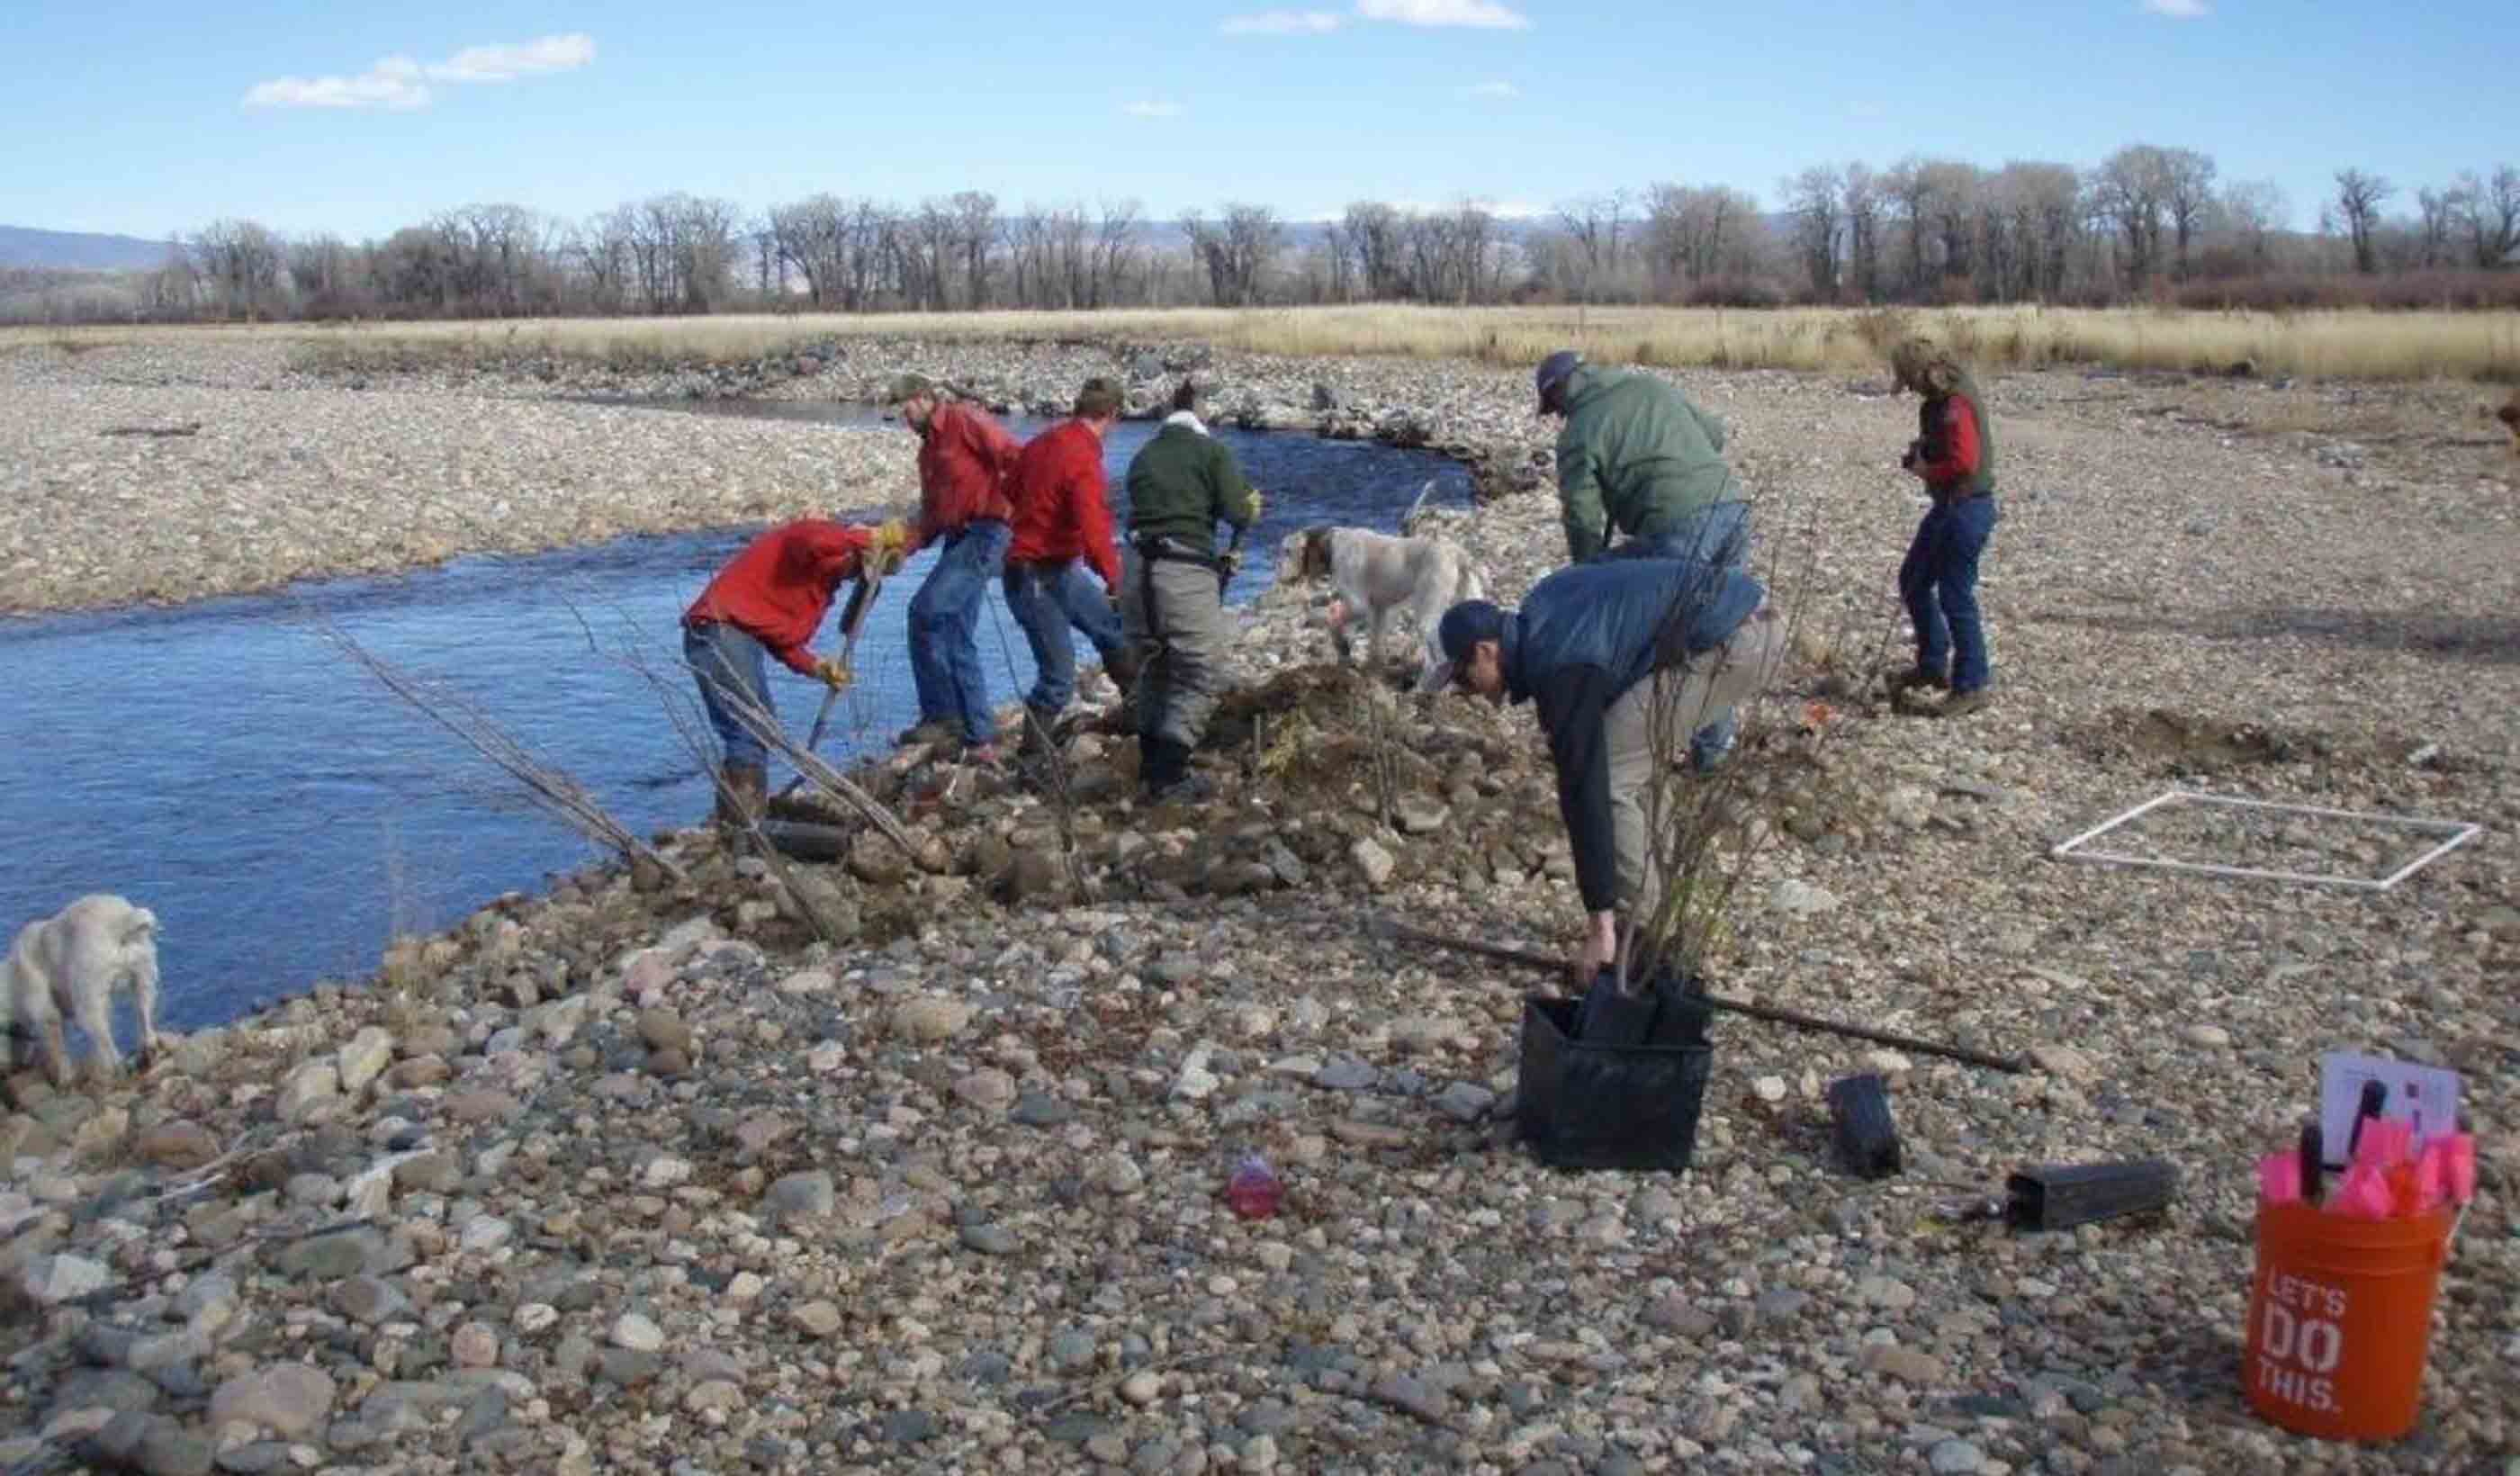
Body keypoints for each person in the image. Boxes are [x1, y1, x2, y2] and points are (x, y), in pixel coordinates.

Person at [1427, 557, 1786, 980]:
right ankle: (1656, 916)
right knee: (1635, 759)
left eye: (1464, 678)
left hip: (1738, 637)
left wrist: (1599, 921)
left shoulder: (1561, 664)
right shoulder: (1542, 615)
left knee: (1614, 775)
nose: (1467, 692)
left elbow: (1584, 788)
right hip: (1746, 616)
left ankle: (1642, 934)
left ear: (1486, 651)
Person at [1535, 347, 1756, 770]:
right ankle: (1715, 747)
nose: (1558, 418)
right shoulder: (1648, 385)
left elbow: (1582, 516)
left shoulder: (1579, 433)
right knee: (1719, 628)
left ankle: (1677, 751)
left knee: (1679, 640)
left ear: (1559, 392)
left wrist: (1587, 575)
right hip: (1732, 507)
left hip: (1678, 525)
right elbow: (1714, 434)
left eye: (1554, 408)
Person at [683, 516, 913, 825]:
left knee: (759, 727)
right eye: (858, 568)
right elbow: (805, 537)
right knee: (750, 727)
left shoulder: (821, 586)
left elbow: (782, 640)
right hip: (717, 629)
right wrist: (871, 538)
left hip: (734, 634)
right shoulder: (814, 543)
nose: (853, 576)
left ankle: (739, 824)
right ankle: (742, 828)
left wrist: (817, 667)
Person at [1119, 380, 1263, 803]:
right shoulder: (1211, 452)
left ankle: (1149, 763)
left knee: (1157, 664)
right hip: (1182, 572)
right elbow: (1238, 511)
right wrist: (1250, 506)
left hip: (1134, 571)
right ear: (1202, 414)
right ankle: (1168, 776)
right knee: (1203, 670)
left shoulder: (1143, 455)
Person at [1003, 376, 1138, 762]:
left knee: (1110, 632)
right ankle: (1030, 763)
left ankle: (1140, 716)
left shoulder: (1042, 442)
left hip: (1052, 567)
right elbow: (1094, 525)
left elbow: (1010, 488)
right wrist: (1115, 579)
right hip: (1036, 575)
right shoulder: (1084, 458)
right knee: (1058, 678)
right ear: (1111, 415)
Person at [889, 373, 1023, 760]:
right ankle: (978, 736)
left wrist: (1019, 513)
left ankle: (942, 717)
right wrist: (903, 548)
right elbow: (932, 517)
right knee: (954, 630)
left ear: (927, 398)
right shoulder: (927, 453)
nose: (904, 414)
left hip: (987, 530)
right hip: (957, 538)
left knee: (926, 613)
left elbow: (1014, 456)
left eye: (907, 405)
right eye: (900, 408)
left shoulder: (965, 420)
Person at [1887, 338, 2001, 719]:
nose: (1912, 389)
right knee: (1914, 580)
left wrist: (1926, 470)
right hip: (1952, 507)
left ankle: (1972, 684)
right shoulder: (1942, 401)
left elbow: (1965, 463)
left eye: (1911, 381)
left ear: (1924, 373)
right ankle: (1933, 666)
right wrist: (1924, 450)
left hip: (1965, 510)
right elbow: (1954, 450)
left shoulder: (1955, 403)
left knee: (1956, 596)